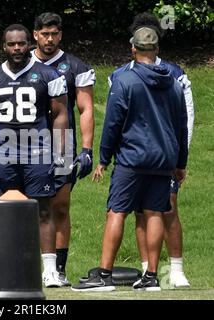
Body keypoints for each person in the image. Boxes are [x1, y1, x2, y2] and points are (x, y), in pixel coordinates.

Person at [72, 26, 188, 292]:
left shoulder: (125, 80)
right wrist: (180, 163)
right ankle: (151, 277)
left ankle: (103, 276)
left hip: (133, 157)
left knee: (117, 211)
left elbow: (113, 122)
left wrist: (103, 158)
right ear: (157, 50)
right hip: (164, 160)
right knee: (155, 212)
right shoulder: (174, 83)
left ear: (133, 49)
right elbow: (181, 127)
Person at [0, 24, 69, 287]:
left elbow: (61, 115)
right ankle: (4, 266)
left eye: (21, 43)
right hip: (2, 152)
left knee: (44, 209)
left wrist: (60, 153)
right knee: (3, 209)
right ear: (3, 46)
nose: (17, 48)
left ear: (30, 44)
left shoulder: (48, 75)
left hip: (38, 150)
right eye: (11, 44)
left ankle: (50, 270)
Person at [108, 12, 194, 288]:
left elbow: (186, 120)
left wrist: (180, 156)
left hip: (157, 156)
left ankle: (176, 270)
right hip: (145, 157)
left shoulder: (176, 75)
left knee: (166, 209)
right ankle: (149, 270)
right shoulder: (119, 75)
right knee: (143, 212)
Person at [31, 12, 96, 286]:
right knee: (27, 206)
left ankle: (58, 268)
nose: (49, 39)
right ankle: (27, 265)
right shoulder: (21, 63)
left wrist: (87, 148)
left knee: (59, 206)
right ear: (35, 34)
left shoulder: (75, 66)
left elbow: (85, 108)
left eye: (55, 34)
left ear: (61, 34)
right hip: (26, 143)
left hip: (62, 145)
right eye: (45, 34)